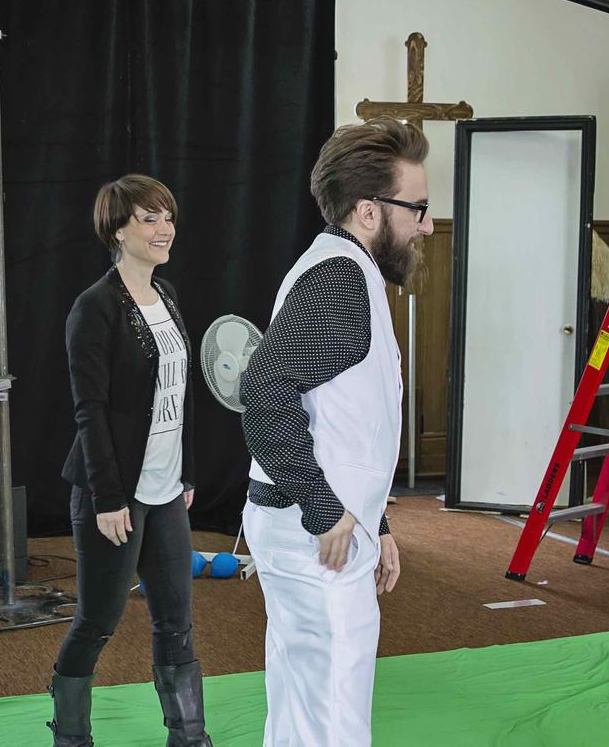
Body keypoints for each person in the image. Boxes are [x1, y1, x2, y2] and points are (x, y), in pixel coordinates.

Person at [240, 118, 427, 747]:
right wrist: (326, 511)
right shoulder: (338, 280)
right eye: (418, 208)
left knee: (309, 710)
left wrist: (379, 522)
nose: (427, 225)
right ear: (369, 212)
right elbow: (263, 393)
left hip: (325, 528)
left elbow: (350, 420)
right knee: (331, 719)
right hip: (315, 534)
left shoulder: (348, 273)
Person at [49, 175, 212, 747]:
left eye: (168, 216)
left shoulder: (168, 296)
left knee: (177, 620)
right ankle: (71, 737)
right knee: (97, 622)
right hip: (115, 494)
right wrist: (108, 498)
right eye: (149, 218)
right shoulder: (93, 308)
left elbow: (180, 393)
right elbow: (89, 411)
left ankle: (188, 736)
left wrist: (186, 471)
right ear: (118, 230)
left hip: (166, 490)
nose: (164, 228)